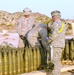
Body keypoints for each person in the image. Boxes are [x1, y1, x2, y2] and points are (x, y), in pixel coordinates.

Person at [47, 10, 66, 75]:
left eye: (52, 17)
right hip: (61, 45)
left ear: (54, 17)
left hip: (56, 45)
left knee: (55, 62)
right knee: (57, 61)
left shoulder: (55, 23)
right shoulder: (63, 23)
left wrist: (49, 40)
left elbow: (54, 34)